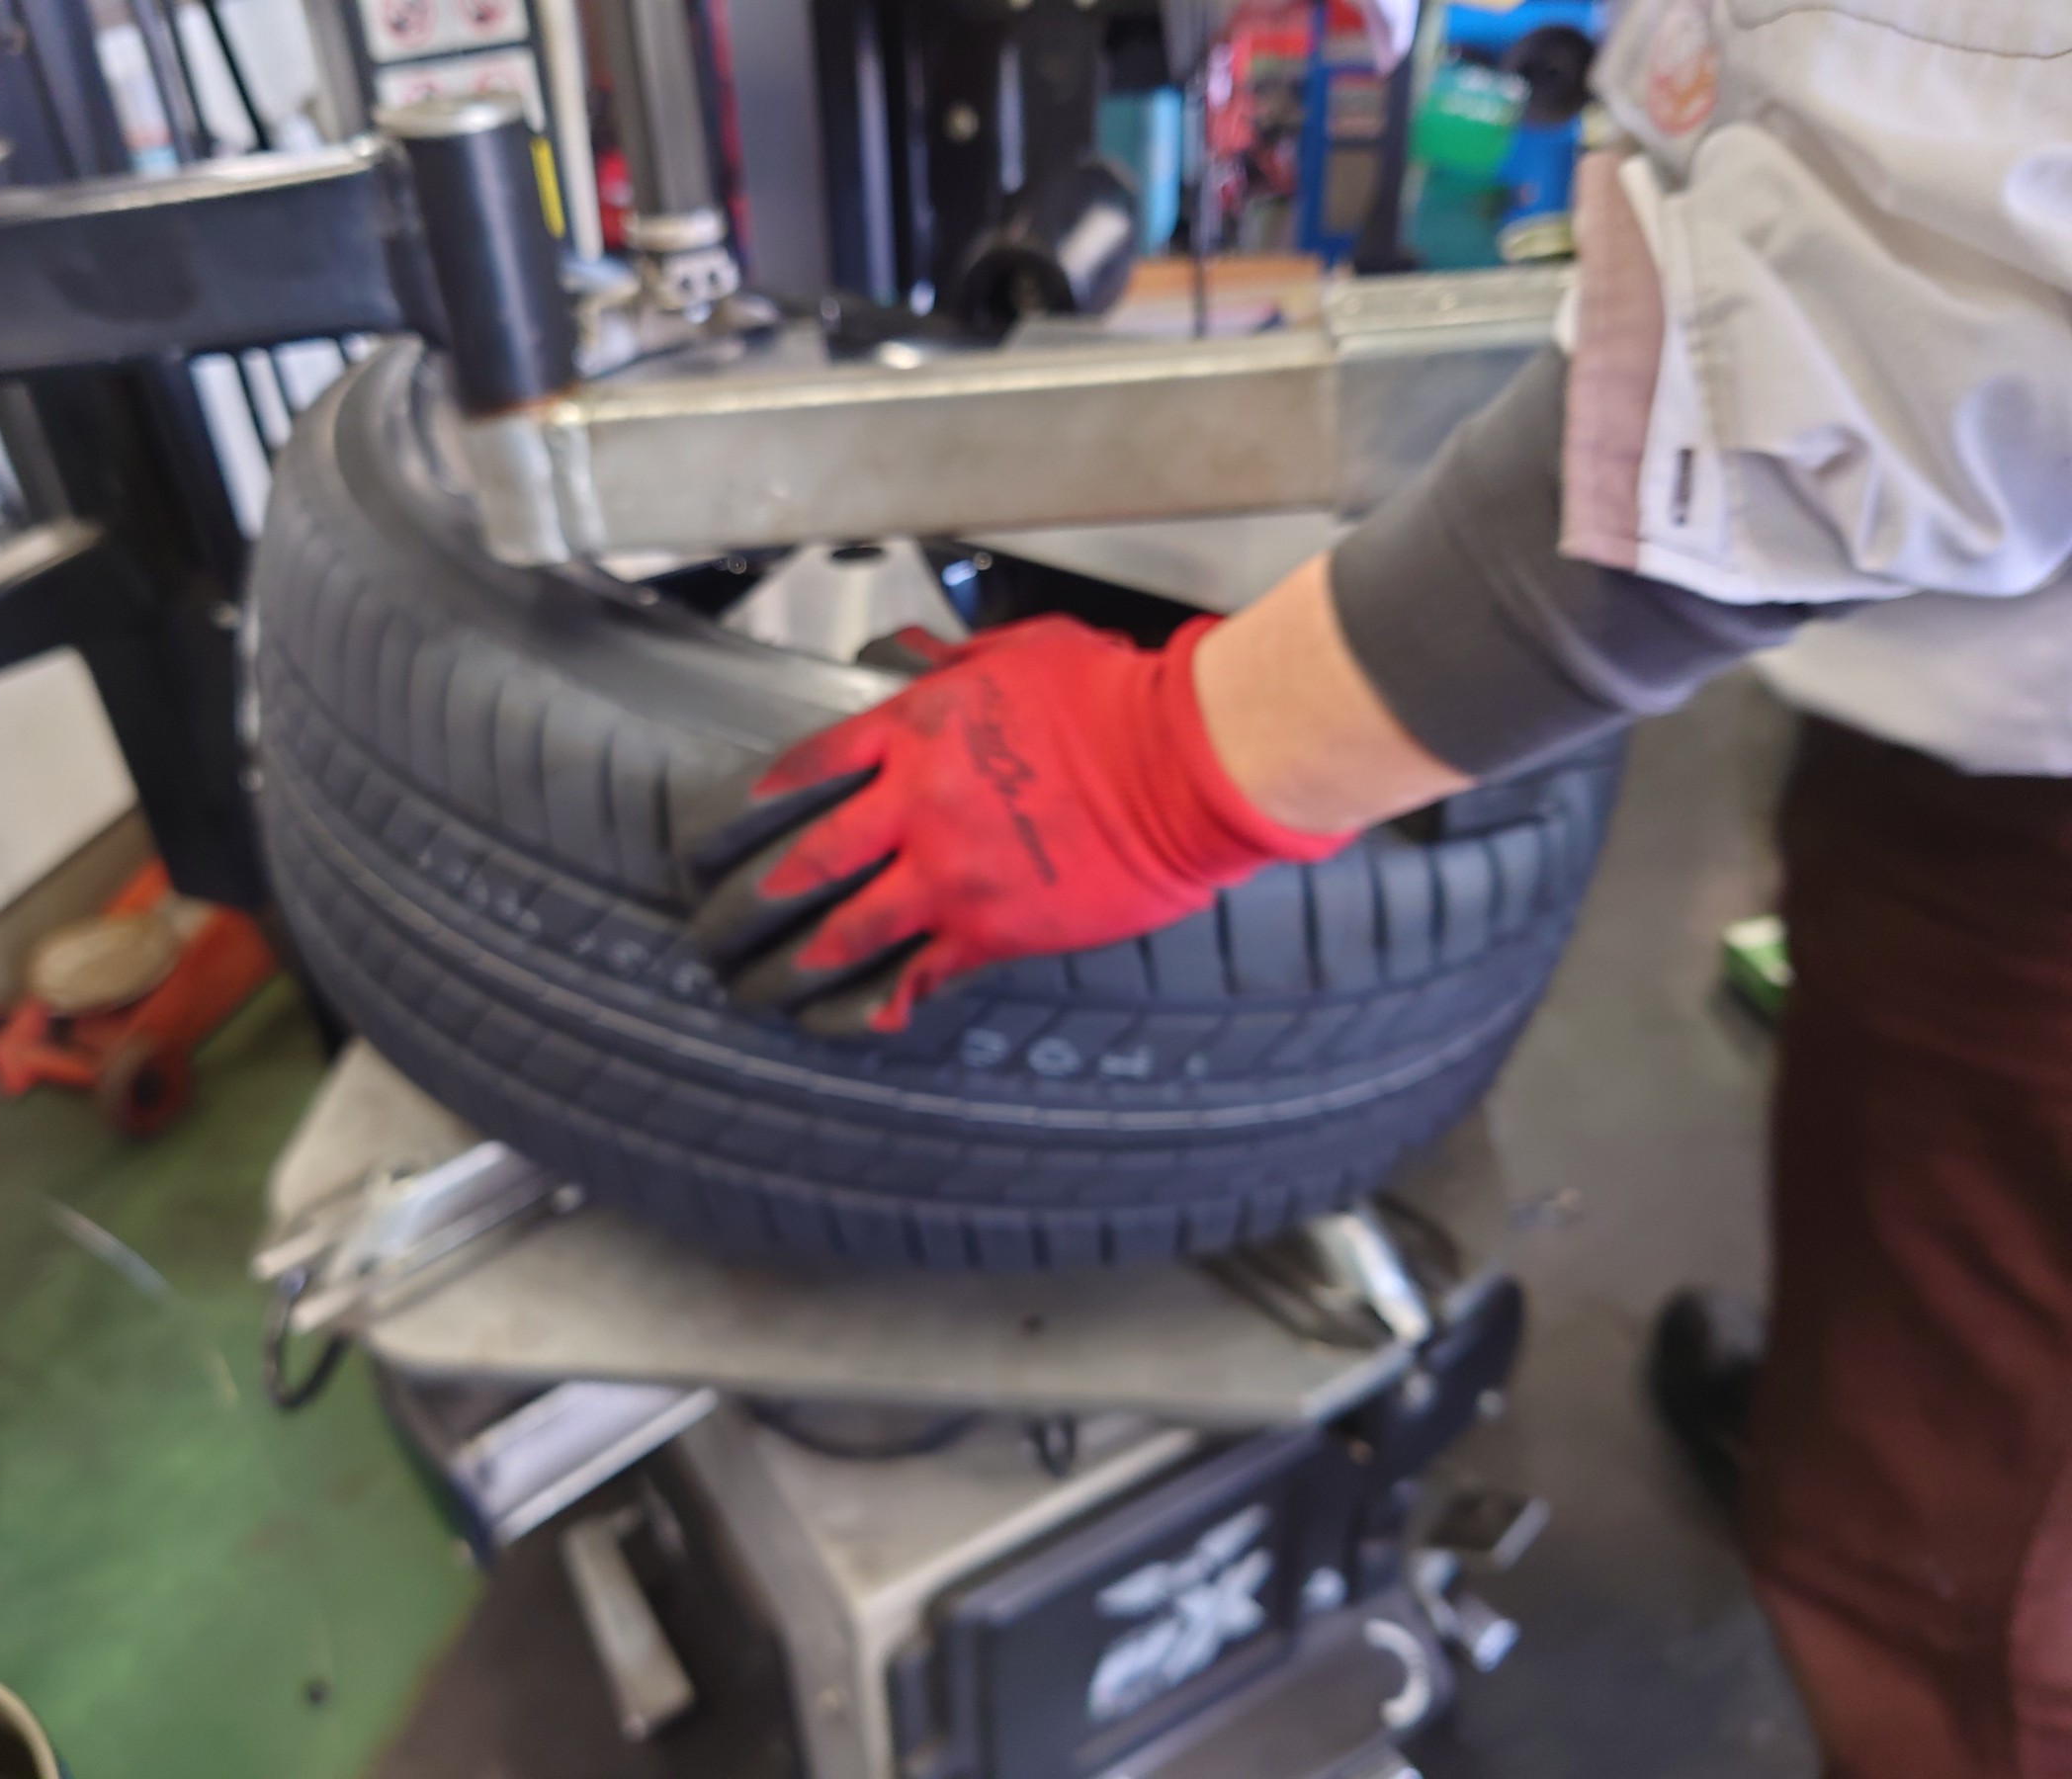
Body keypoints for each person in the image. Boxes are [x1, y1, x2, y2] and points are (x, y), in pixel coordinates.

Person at [687, 3, 2072, 1773]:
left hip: (2036, 796)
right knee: (1918, 1234)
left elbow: (1933, 321)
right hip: (1962, 700)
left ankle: (1932, 1576)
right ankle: (1871, 1403)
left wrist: (1182, 762)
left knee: (1977, 1560)